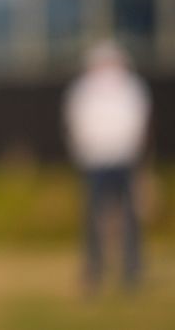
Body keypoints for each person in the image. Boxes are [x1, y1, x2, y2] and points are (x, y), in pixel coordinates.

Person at [63, 40, 150, 293]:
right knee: (93, 217)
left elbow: (140, 122)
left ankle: (132, 270)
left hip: (125, 158)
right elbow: (75, 122)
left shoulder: (132, 88)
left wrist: (136, 153)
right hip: (94, 161)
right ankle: (94, 268)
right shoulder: (84, 90)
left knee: (130, 217)